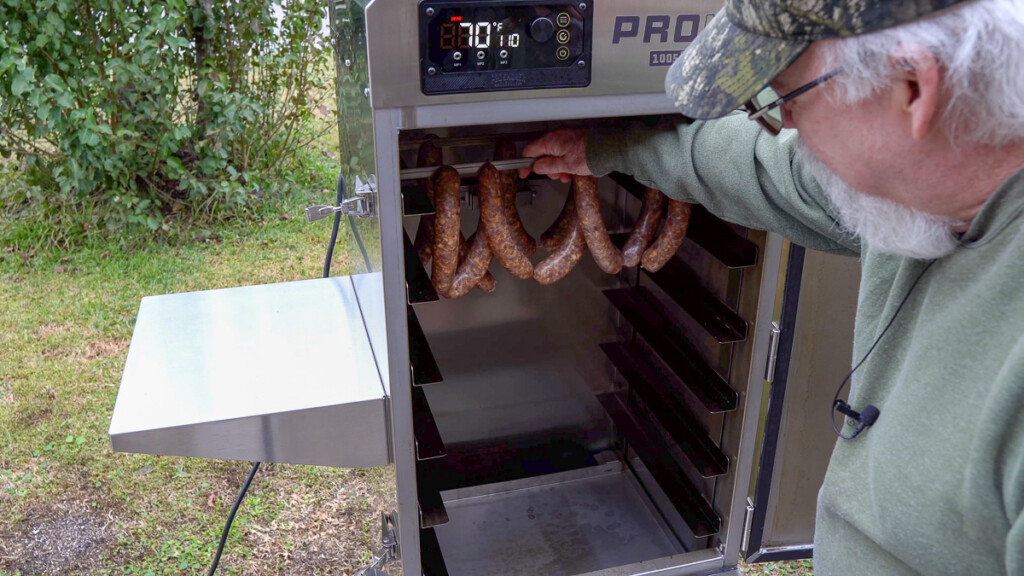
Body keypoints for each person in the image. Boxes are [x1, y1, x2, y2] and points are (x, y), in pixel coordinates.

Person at [519, 0, 1024, 574]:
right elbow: (767, 167)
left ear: (913, 85)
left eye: (785, 99)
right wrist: (607, 150)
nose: (785, 127)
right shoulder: (925, 182)